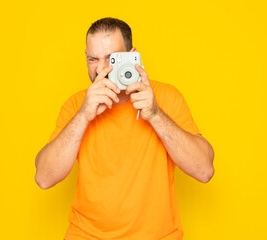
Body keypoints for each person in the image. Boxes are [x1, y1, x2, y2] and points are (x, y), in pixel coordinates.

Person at [35, 17, 215, 240]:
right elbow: (44, 177)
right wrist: (83, 116)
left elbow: (204, 170)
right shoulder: (75, 105)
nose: (101, 68)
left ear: (132, 55)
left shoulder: (166, 98)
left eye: (111, 58)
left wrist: (155, 115)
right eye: (93, 59)